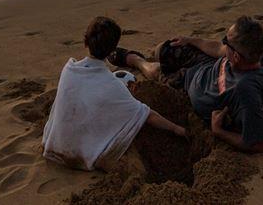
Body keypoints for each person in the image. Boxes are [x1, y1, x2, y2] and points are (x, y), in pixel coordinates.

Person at [42, 16, 186, 171]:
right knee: (125, 139)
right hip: (81, 155)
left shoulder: (69, 70)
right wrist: (176, 129)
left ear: (85, 42)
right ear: (112, 50)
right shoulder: (111, 85)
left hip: (54, 145)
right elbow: (146, 114)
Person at [112, 16, 263, 154]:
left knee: (157, 72)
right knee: (163, 49)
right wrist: (190, 41)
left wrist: (219, 132)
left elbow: (261, 144)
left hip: (187, 84)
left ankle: (136, 60)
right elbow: (218, 49)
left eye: (226, 41)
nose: (224, 43)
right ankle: (156, 57)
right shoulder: (251, 53)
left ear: (236, 56)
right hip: (205, 65)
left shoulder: (245, 91)